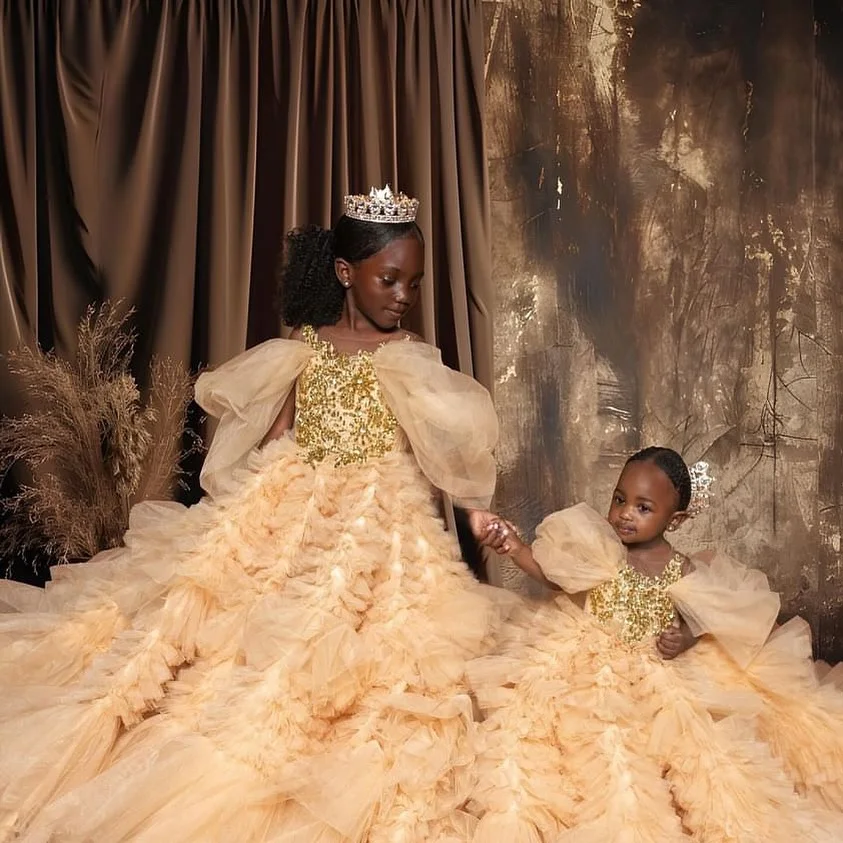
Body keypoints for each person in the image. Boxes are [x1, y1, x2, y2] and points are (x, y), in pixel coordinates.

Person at [0, 186, 516, 842]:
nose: (402, 295)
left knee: (389, 648)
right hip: (294, 500)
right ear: (344, 273)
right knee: (239, 627)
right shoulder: (306, 348)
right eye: (389, 279)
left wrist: (475, 516)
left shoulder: (405, 356)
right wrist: (243, 512)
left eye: (413, 283)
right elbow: (277, 435)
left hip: (380, 519)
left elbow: (439, 444)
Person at [468, 447, 843, 842]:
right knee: (575, 738)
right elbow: (553, 574)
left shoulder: (680, 567)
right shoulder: (600, 549)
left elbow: (707, 615)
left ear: (675, 519)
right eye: (619, 500)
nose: (625, 513)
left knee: (702, 750)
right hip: (588, 656)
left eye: (643, 508)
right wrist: (513, 545)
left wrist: (684, 637)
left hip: (656, 669)